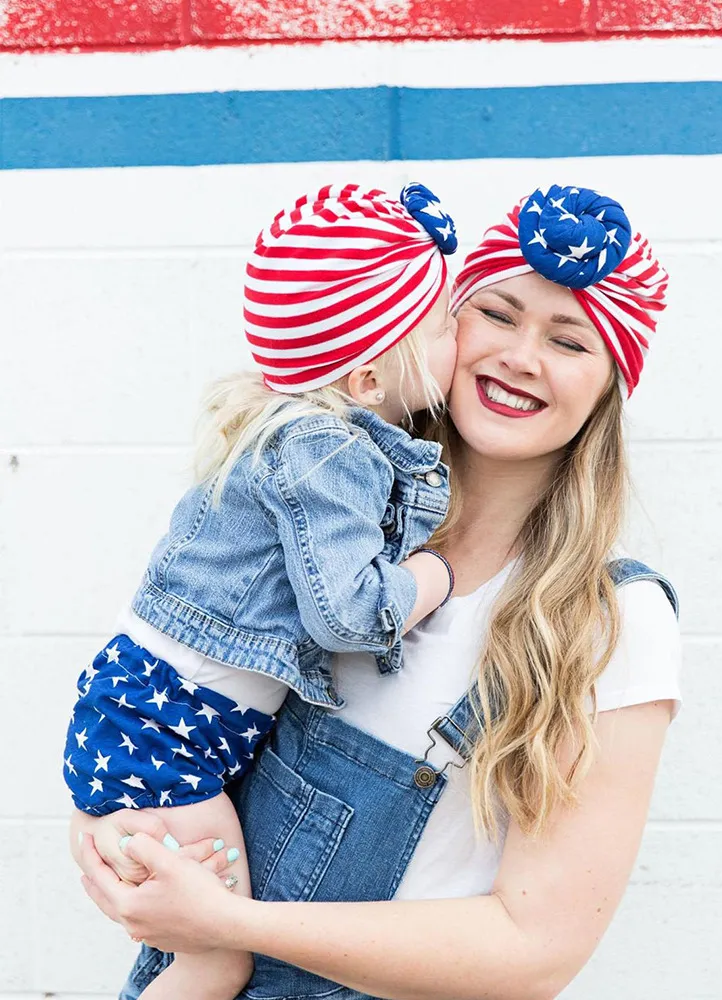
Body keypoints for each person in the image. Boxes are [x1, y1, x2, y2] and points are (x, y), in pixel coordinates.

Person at [77, 183, 681, 1000]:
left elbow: (536, 950)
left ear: (607, 390)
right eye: (496, 314)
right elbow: (178, 710)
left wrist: (226, 928)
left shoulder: (611, 622)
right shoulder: (327, 523)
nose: (521, 357)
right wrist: (110, 834)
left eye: (570, 341)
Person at [65, 181, 461, 1000]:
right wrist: (436, 574)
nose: (461, 336)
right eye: (444, 321)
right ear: (366, 377)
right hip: (176, 737)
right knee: (215, 959)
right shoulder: (326, 451)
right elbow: (351, 613)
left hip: (151, 719)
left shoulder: (287, 431)